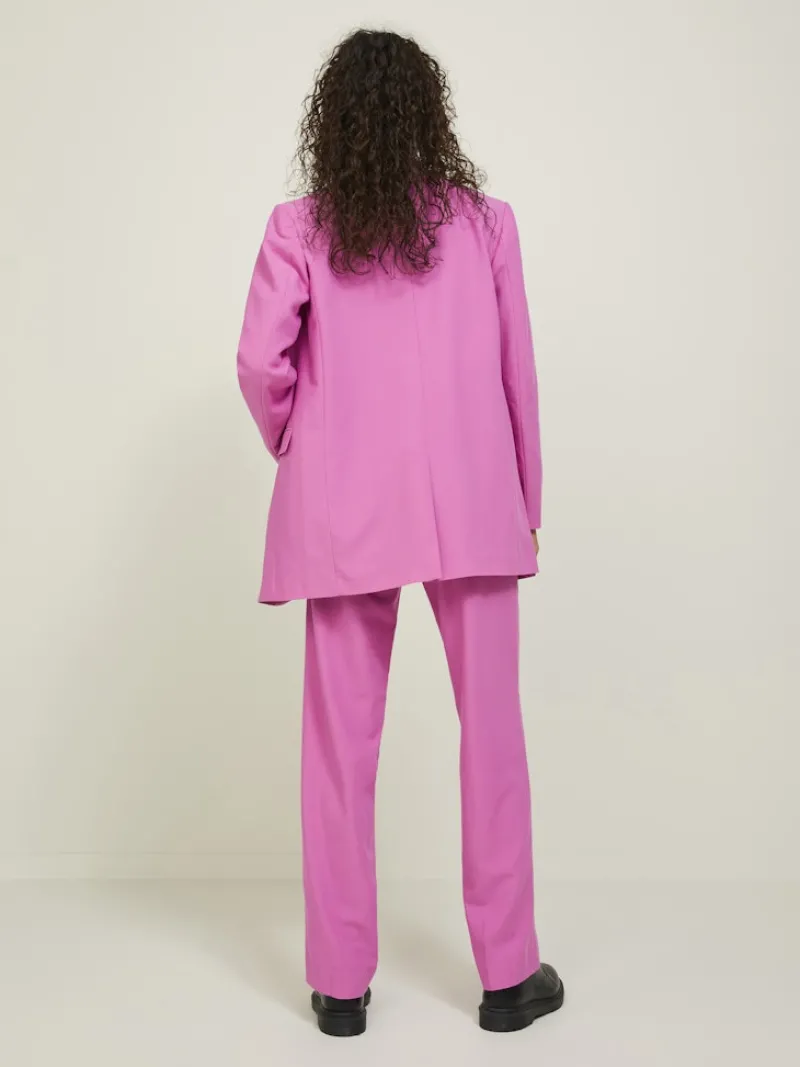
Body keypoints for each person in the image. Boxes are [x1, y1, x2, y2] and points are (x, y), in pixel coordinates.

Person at [236, 28, 563, 1037]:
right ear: (430, 114)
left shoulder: (300, 227)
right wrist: (525, 503)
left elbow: (258, 363)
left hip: (343, 515)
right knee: (493, 738)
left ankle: (340, 987)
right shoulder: (485, 225)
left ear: (332, 121)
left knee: (338, 752)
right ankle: (508, 975)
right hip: (474, 505)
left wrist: (300, 443)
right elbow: (516, 373)